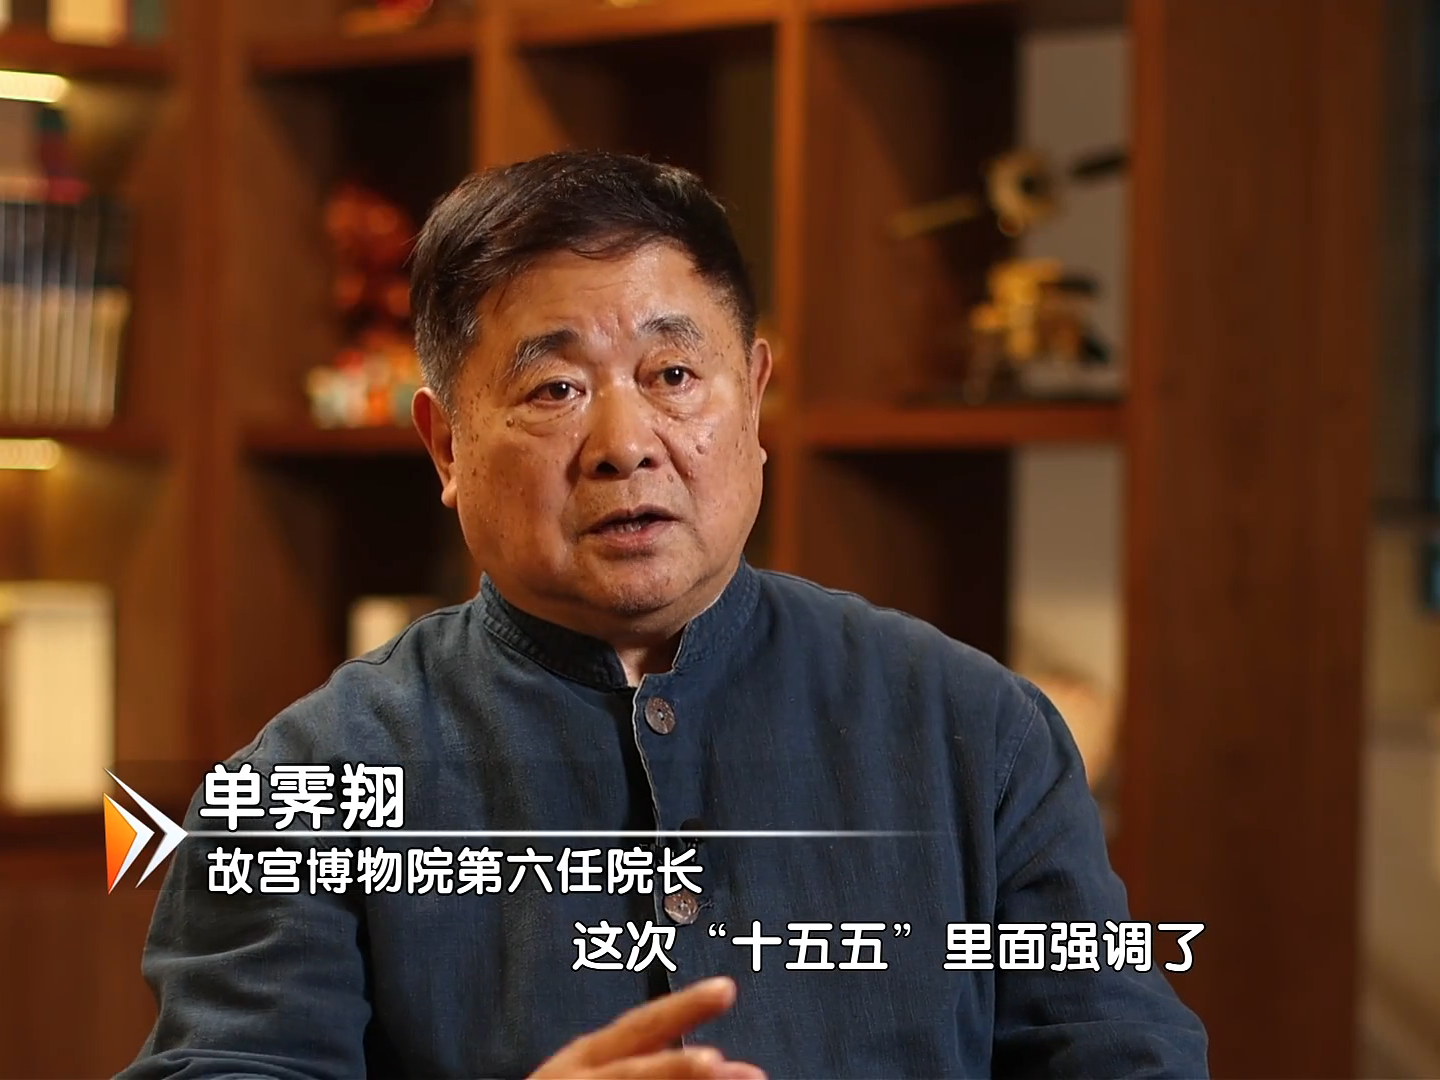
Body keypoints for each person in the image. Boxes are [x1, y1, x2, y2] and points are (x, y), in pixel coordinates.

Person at [120, 150, 1208, 1079]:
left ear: (755, 398)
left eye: (675, 372)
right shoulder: (303, 789)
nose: (626, 443)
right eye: (555, 389)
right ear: (445, 446)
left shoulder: (979, 733)